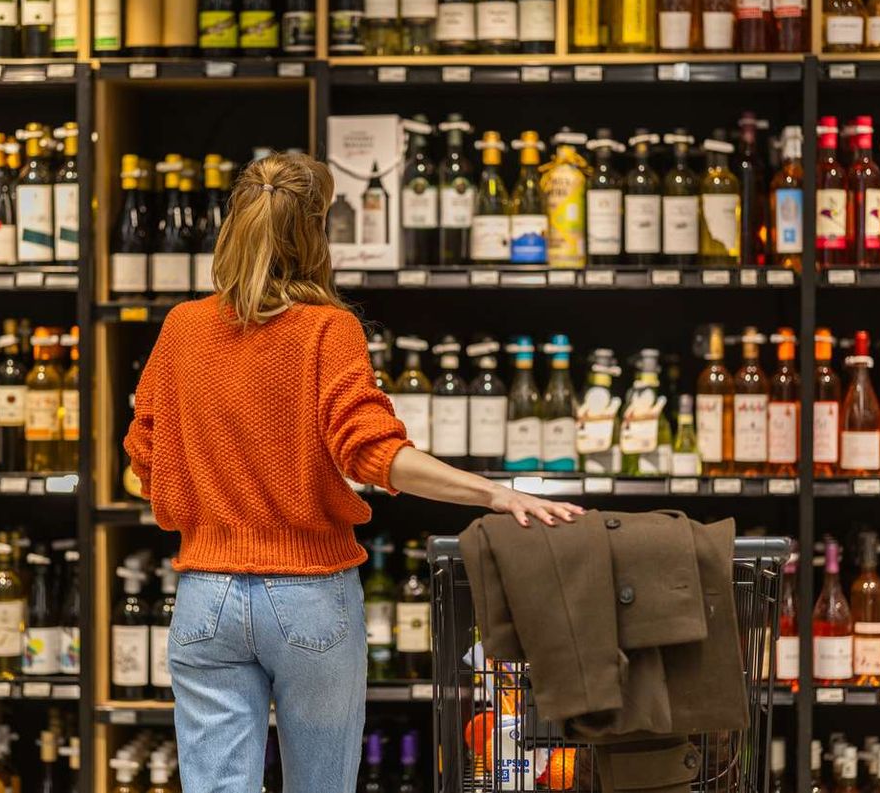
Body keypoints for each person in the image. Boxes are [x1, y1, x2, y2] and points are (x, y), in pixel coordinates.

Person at [124, 152, 583, 793]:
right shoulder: (326, 330)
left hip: (206, 596)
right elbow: (374, 452)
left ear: (234, 225)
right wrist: (494, 494)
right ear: (316, 235)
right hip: (309, 595)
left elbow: (145, 451)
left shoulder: (183, 328)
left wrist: (204, 498)